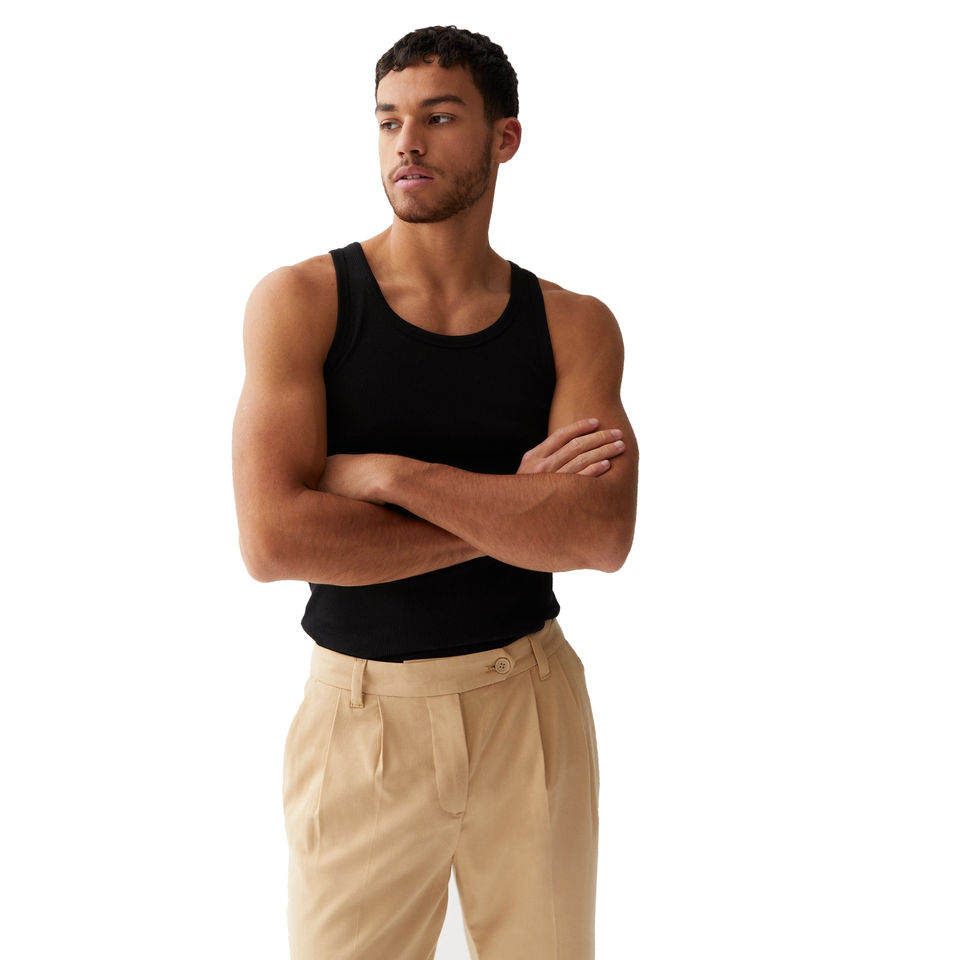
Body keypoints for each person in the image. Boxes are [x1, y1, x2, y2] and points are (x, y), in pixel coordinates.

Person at [231, 24, 637, 960]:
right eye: (388, 121)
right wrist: (516, 510)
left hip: (530, 705)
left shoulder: (574, 324)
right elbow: (273, 540)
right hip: (362, 715)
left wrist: (391, 476)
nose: (406, 143)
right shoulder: (303, 301)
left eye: (439, 118)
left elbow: (600, 533)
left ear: (505, 138)